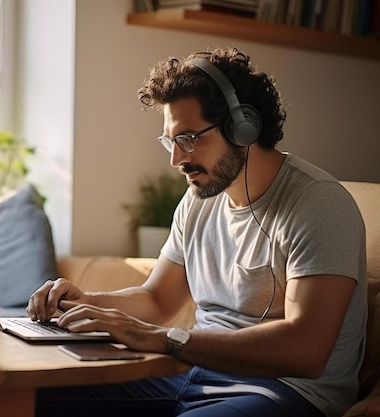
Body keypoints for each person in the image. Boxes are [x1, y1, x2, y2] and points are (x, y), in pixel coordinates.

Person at [27, 47, 367, 417]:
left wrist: (162, 339)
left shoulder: (317, 203)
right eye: (170, 141)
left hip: (282, 391)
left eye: (188, 139)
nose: (176, 159)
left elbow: (306, 349)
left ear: (243, 127)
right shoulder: (199, 198)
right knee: (34, 402)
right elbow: (158, 299)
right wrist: (86, 302)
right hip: (186, 372)